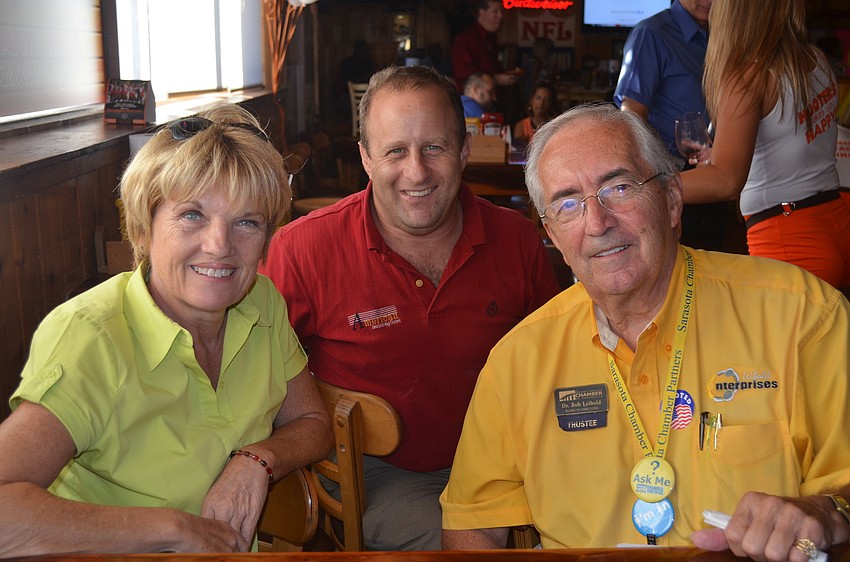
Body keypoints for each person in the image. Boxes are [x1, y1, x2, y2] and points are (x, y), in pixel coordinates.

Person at [441, 104, 850, 559]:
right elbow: (471, 526)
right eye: (568, 203)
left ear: (672, 200)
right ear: (553, 235)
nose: (597, 223)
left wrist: (822, 510)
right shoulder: (517, 362)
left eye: (618, 187)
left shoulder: (801, 315)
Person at [0, 103, 333, 557]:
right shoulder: (91, 336)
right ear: (143, 227)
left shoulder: (262, 302)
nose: (219, 246)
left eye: (247, 222)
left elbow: (313, 423)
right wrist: (173, 528)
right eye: (192, 214)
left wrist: (256, 460)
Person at [259, 65, 560, 551]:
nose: (416, 171)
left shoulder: (517, 239)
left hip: (510, 464)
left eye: (435, 148)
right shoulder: (302, 249)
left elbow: (559, 360)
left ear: (464, 152)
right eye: (395, 150)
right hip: (379, 474)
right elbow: (253, 371)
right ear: (366, 158)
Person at [680, 0, 849, 290]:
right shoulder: (815, 59)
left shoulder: (748, 78)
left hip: (790, 236)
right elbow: (791, 138)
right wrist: (725, 152)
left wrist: (648, 187)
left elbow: (726, 180)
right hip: (836, 219)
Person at [614, 0, 732, 253]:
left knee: (711, 273)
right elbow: (631, 115)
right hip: (671, 177)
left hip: (719, 172)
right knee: (675, 278)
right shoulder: (652, 33)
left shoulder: (725, 32)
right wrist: (645, 180)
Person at [451, 0, 519, 90]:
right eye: (495, 12)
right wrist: (495, 79)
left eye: (501, 12)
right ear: (481, 13)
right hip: (471, 100)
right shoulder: (464, 39)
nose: (501, 16)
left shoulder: (491, 38)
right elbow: (463, 73)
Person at [513, 80, 559, 145]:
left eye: (547, 100)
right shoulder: (521, 126)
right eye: (538, 98)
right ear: (531, 100)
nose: (541, 103)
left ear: (551, 104)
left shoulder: (555, 126)